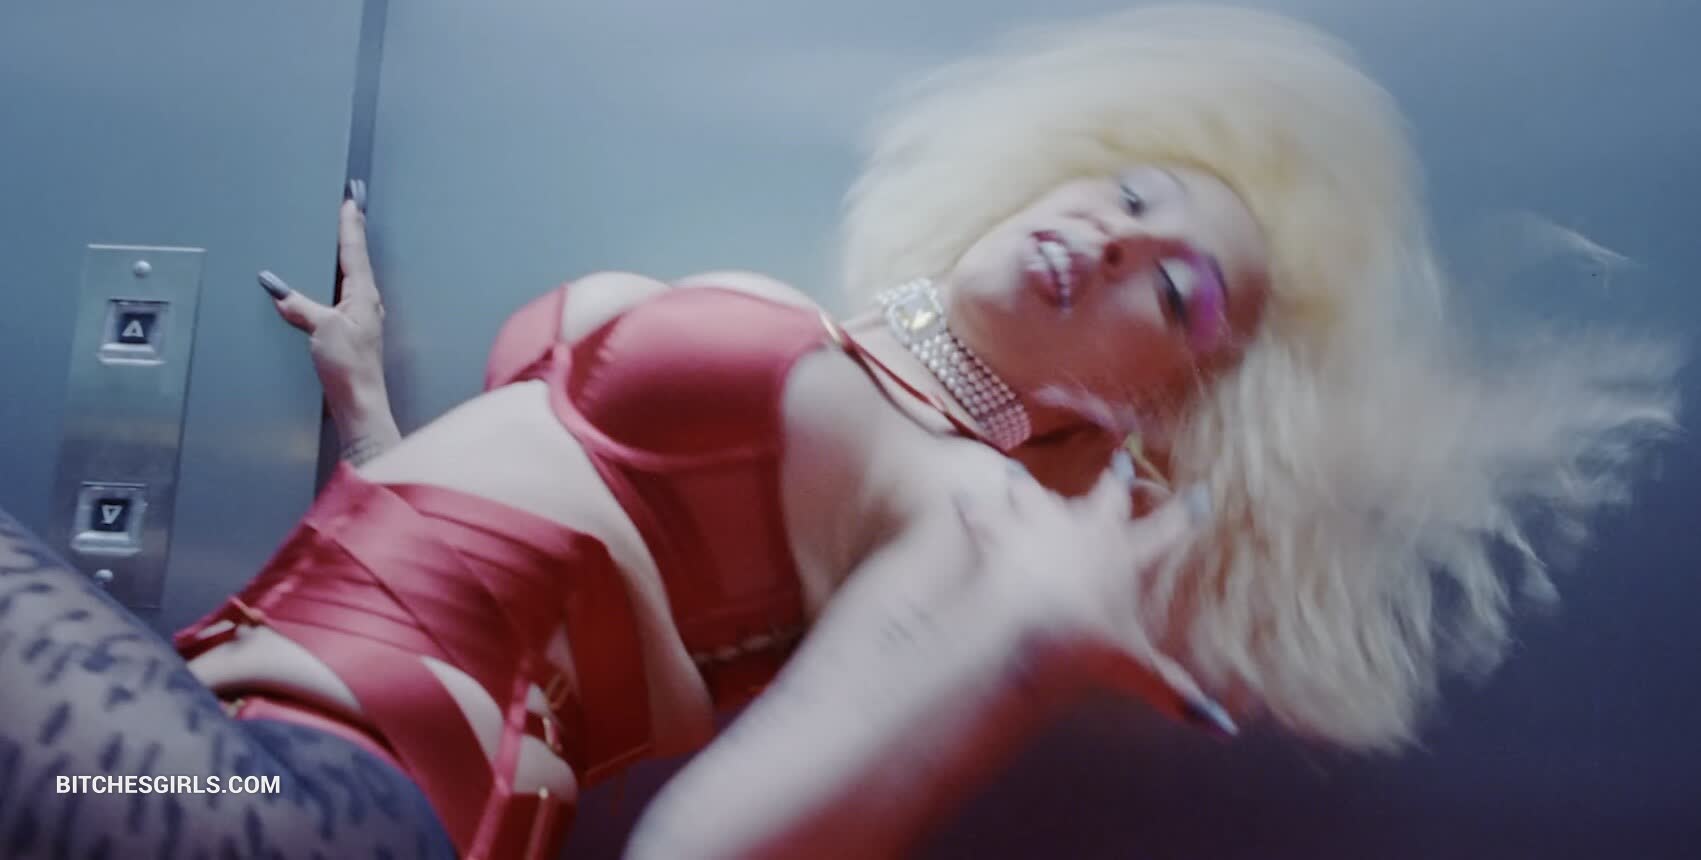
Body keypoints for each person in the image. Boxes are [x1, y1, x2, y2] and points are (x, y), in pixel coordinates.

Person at [0, 6, 1678, 859]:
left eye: (1174, 292)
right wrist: (371, 406)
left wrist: (1012, 654)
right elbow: (511, 592)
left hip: (310, 809)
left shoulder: (976, 519)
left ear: (1154, 404)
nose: (1116, 239)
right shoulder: (859, 374)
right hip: (223, 743)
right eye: (1130, 192)